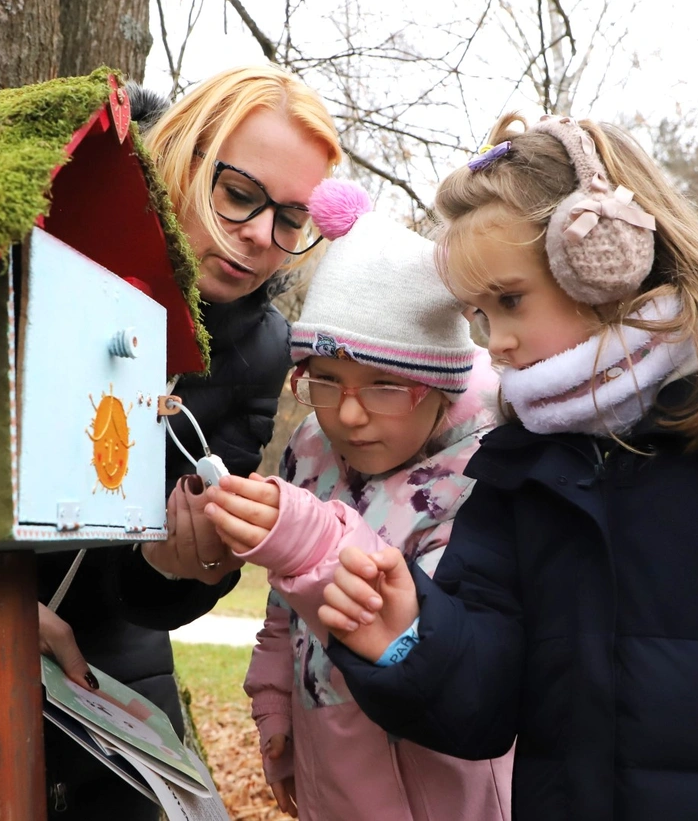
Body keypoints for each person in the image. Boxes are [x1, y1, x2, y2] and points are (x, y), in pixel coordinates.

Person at [318, 113, 698, 820]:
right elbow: (485, 703)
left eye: (510, 300)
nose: (497, 343)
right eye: (480, 315)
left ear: (607, 257)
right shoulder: (519, 466)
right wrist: (412, 636)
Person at [35, 66, 342, 820]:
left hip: (109, 686)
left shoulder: (263, 349)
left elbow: (145, 595)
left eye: (291, 219)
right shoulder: (45, 247)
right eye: (239, 194)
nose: (260, 236)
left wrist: (181, 567)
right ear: (180, 152)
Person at [201, 179, 512, 820]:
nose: (347, 415)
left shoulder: (491, 474)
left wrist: (310, 540)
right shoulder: (312, 449)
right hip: (334, 779)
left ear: (442, 386)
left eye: (384, 386)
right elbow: (284, 610)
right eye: (325, 380)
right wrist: (274, 703)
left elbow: (427, 635)